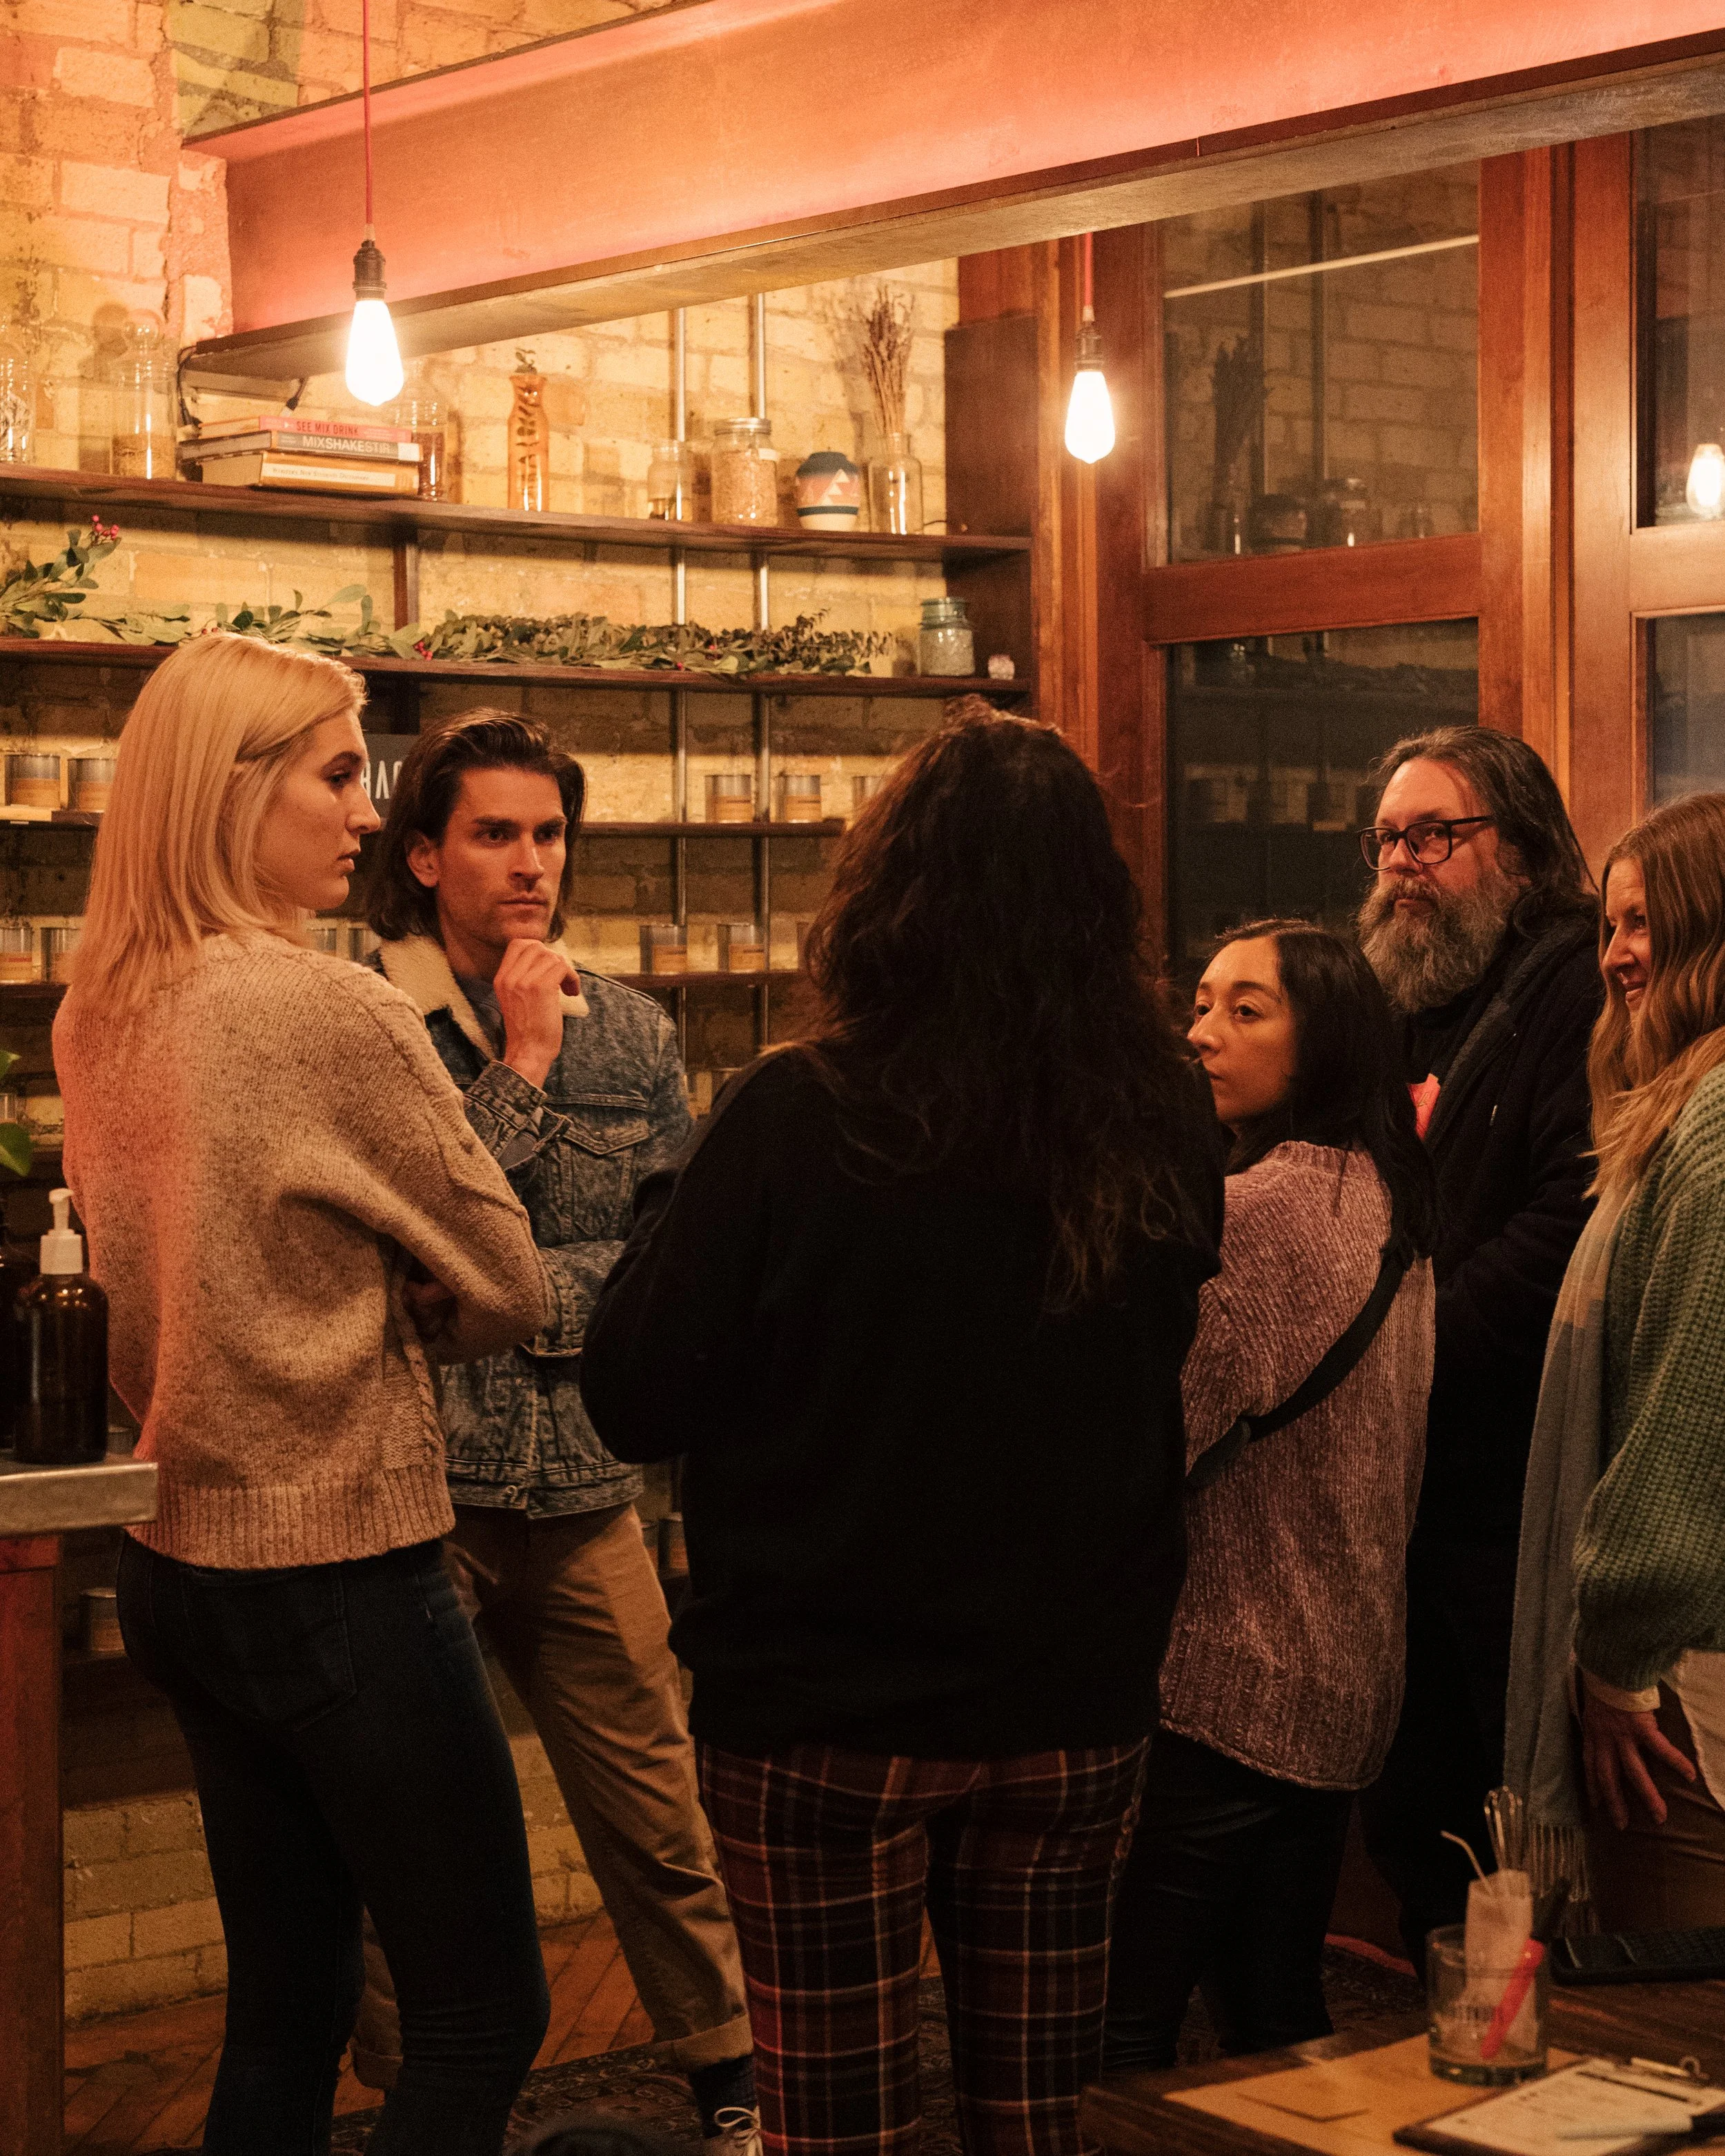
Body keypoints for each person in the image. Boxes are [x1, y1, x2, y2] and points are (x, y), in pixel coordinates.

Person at [579, 706, 1224, 2156]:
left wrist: (658, 1214)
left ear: (887, 892)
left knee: (836, 2125)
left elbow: (634, 1388)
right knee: (1033, 2118)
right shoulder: (1162, 1113)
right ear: (1090, 899)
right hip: (1071, 1695)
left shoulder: (794, 1114)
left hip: (826, 1704)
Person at [54, 636, 553, 2156]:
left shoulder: (102, 1005)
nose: (365, 810)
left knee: (285, 2003)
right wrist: (420, 1299)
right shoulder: (322, 1008)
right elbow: (509, 1280)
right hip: (340, 1560)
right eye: (337, 773)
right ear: (231, 787)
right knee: (483, 2014)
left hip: (177, 1555)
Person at [357, 710, 758, 2150]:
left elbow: (661, 1260)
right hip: (416, 1487)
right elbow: (402, 1246)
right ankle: (421, 2101)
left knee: (661, 1807)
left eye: (549, 833)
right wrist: (520, 1058)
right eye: (494, 833)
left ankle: (728, 2077)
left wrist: (503, 1291)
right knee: (415, 1824)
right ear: (422, 854)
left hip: (587, 1480)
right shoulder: (362, 1016)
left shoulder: (639, 1027)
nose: (531, 863)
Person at [1104, 921, 1437, 2070]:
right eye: (1200, 1002)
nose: (1201, 1033)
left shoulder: (1263, 1214)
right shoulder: (1388, 1196)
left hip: (1229, 1679)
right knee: (1276, 2017)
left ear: (1328, 1040)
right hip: (1342, 1675)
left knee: (1122, 2033)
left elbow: (1150, 1439)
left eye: (1248, 1010)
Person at [1354, 726, 1600, 1963]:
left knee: (1512, 1825)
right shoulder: (1396, 1001)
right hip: (1407, 1484)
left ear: (1522, 849)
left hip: (1510, 1482)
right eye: (1390, 837)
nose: (1404, 863)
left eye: (1436, 835)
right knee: (1417, 1806)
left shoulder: (1573, 986)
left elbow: (1570, 1218)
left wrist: (1402, 1352)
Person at [1508, 793, 1725, 1929]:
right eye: (1609, 925)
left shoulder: (1721, 1124)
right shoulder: (1686, 1102)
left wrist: (1616, 1662)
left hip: (1687, 1692)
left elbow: (1691, 1417)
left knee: (1672, 2063)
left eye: (1644, 922)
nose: (1619, 955)